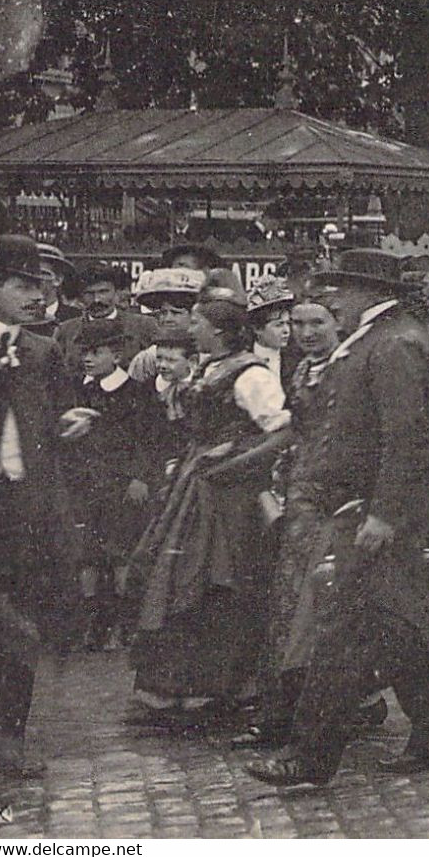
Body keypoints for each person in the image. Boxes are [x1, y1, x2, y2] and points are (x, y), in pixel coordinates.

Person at [247, 249, 429, 786]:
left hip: (372, 514)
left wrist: (385, 513)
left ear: (366, 291)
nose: (330, 300)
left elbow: (409, 438)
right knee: (402, 627)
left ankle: (311, 755)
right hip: (367, 508)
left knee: (345, 630)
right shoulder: (384, 337)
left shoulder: (392, 342)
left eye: (337, 289)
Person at [234, 297, 388, 750]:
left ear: (338, 322)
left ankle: (352, 705)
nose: (306, 332)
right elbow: (295, 432)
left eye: (316, 322)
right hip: (302, 498)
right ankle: (287, 709)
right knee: (291, 603)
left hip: (341, 501)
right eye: (296, 324)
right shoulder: (301, 372)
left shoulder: (354, 369)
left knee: (329, 605)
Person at [129, 295, 289, 728]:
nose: (190, 329)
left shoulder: (253, 375)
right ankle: (176, 686)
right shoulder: (207, 367)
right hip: (194, 486)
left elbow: (281, 432)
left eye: (196, 322)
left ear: (219, 330)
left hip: (229, 497)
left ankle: (222, 686)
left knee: (217, 583)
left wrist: (233, 460)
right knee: (180, 580)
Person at [0, 236, 83, 781]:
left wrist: (66, 429)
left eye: (41, 285)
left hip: (21, 508)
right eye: (22, 285)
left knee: (20, 628)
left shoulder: (41, 353)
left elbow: (46, 428)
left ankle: (5, 742)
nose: (37, 296)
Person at [61, 317, 159, 651]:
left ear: (116, 355)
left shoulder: (137, 394)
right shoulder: (80, 392)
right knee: (88, 555)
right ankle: (94, 622)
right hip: (86, 485)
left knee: (121, 554)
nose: (87, 358)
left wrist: (140, 477)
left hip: (122, 487)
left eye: (95, 352)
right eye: (84, 352)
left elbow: (150, 441)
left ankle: (124, 622)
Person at [55, 262, 157, 366]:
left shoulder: (144, 326)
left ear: (116, 293)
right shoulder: (66, 331)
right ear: (80, 296)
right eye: (89, 293)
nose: (97, 300)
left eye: (103, 292)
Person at [125, 268, 207, 386]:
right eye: (163, 313)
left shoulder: (207, 352)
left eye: (176, 313)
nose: (167, 319)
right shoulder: (148, 359)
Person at [247, 274, 296, 394]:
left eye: (287, 323)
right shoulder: (242, 359)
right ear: (257, 329)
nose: (286, 330)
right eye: (278, 325)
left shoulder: (295, 361)